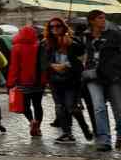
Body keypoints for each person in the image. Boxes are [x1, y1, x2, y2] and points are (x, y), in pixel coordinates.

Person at [44, 17, 93, 144]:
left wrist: (70, 44)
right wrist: (52, 66)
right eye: (52, 26)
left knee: (72, 107)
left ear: (63, 26)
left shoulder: (72, 40)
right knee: (59, 107)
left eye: (58, 26)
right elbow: (42, 61)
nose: (55, 28)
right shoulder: (46, 42)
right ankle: (67, 134)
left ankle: (85, 128)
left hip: (71, 79)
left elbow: (82, 52)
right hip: (55, 80)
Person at [83, 9, 121, 152]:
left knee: (119, 108)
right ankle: (104, 139)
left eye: (104, 17)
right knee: (99, 107)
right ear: (92, 20)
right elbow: (81, 55)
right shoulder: (85, 36)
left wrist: (116, 70)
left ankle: (120, 136)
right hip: (93, 76)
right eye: (100, 18)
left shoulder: (114, 35)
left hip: (112, 76)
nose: (103, 20)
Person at [6, 25, 47, 137]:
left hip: (22, 82)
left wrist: (10, 83)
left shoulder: (16, 47)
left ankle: (31, 121)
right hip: (38, 81)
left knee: (24, 105)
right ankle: (38, 126)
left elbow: (14, 67)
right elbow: (44, 65)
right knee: (38, 104)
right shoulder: (38, 46)